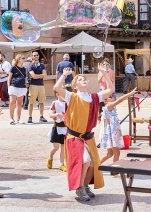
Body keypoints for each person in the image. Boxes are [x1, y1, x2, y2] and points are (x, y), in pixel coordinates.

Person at [53, 63, 114, 202]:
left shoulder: (94, 97)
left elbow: (110, 89)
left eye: (84, 79)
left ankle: (85, 185)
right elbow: (56, 88)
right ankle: (79, 188)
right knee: (85, 161)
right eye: (80, 79)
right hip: (74, 137)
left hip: (88, 138)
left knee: (93, 165)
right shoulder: (71, 96)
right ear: (75, 86)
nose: (84, 80)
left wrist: (104, 73)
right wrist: (63, 75)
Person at [100, 88, 136, 169]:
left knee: (109, 154)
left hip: (112, 133)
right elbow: (120, 100)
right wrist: (130, 94)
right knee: (117, 153)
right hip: (112, 135)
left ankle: (94, 167)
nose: (113, 98)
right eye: (110, 97)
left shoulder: (109, 107)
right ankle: (115, 170)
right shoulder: (109, 106)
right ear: (105, 101)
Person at [47, 90, 67, 172]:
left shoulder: (67, 103)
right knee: (56, 147)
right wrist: (56, 115)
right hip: (57, 127)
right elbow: (50, 114)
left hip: (65, 128)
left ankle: (62, 164)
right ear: (57, 94)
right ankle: (50, 157)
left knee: (63, 147)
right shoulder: (55, 103)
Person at [28, 51, 47, 123]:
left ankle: (41, 116)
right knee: (31, 102)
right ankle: (30, 116)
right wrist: (40, 75)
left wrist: (37, 76)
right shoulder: (30, 65)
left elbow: (45, 75)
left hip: (41, 85)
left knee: (41, 102)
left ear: (38, 56)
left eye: (37, 55)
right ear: (32, 56)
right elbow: (33, 76)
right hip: (33, 85)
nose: (35, 56)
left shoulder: (42, 65)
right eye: (34, 55)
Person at [8, 54, 27, 125]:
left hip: (22, 87)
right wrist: (8, 87)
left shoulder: (24, 69)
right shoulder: (13, 67)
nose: (24, 59)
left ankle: (18, 119)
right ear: (18, 59)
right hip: (14, 87)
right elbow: (9, 78)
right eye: (23, 58)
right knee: (12, 102)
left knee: (19, 103)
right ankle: (11, 118)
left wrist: (25, 86)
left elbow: (25, 78)